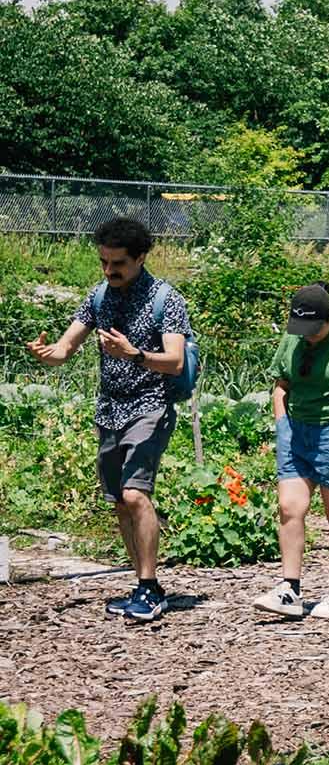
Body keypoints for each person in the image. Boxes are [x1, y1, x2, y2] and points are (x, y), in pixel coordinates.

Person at [27, 218, 191, 624]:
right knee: (120, 502)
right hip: (109, 410)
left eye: (117, 263)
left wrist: (134, 354)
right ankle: (141, 584)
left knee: (136, 494)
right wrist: (48, 353)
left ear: (140, 258)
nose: (108, 270)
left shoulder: (165, 299)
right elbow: (67, 346)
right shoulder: (100, 295)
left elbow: (175, 361)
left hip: (149, 404)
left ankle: (151, 589)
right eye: (103, 262)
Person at [254, 283, 329, 620]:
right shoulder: (293, 339)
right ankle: (289, 588)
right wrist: (282, 424)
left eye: (314, 329)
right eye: (301, 328)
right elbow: (280, 386)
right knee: (289, 507)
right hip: (296, 432)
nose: (307, 335)